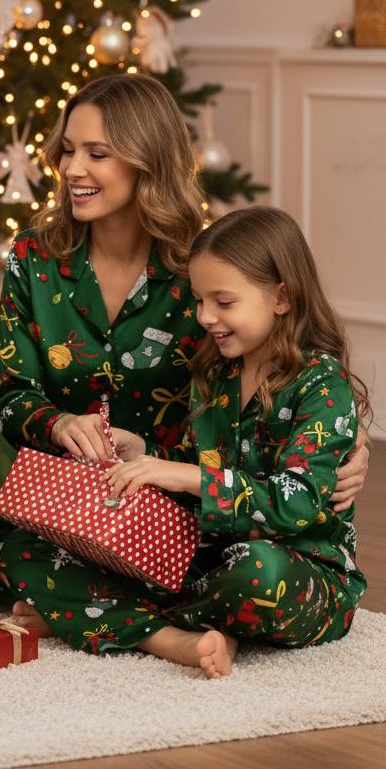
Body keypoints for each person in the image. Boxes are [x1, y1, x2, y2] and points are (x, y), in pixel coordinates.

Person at [0, 73, 369, 607]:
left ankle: (95, 607)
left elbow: (287, 364)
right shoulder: (32, 259)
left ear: (145, 161)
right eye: (67, 150)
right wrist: (58, 423)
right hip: (67, 500)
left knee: (250, 573)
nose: (72, 169)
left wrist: (351, 443)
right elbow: (12, 397)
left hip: (182, 510)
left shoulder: (201, 269)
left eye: (97, 153)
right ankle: (120, 602)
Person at [98, 206, 369, 677]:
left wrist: (188, 476)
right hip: (211, 556)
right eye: (200, 301)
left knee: (259, 572)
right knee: (62, 546)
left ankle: (110, 618)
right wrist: (146, 456)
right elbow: (193, 462)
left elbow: (298, 504)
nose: (205, 317)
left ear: (281, 297)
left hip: (301, 570)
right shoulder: (214, 373)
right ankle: (169, 626)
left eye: (223, 303)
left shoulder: (322, 386)